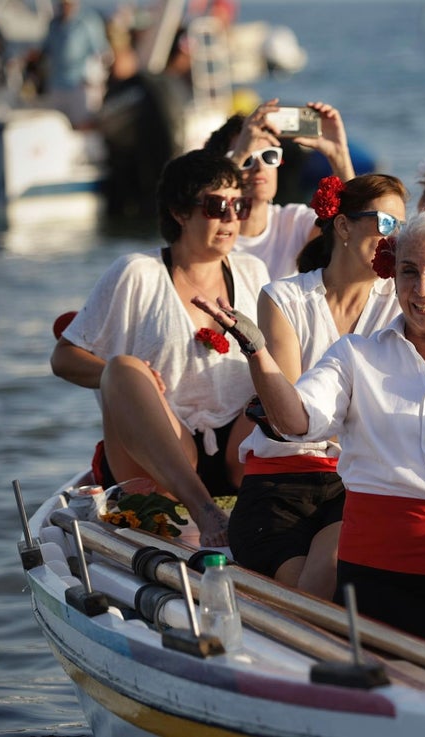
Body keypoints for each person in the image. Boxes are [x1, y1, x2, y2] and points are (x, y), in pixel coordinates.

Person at [193, 211, 425, 665]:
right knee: (406, 690)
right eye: (408, 272)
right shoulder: (355, 354)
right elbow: (297, 421)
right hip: (382, 569)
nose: (421, 289)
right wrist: (257, 352)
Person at [50, 150, 269, 546]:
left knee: (288, 364)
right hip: (158, 457)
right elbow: (63, 357)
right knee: (122, 368)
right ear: (179, 212)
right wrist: (130, 378)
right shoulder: (136, 272)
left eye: (239, 206)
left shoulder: (253, 271)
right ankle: (205, 511)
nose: (230, 218)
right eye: (217, 206)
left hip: (238, 455)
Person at [226, 173, 408, 599]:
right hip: (279, 485)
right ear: (343, 226)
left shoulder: (403, 301)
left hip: (357, 483)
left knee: (324, 580)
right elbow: (294, 418)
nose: (394, 238)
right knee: (307, 594)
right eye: (385, 223)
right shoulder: (283, 297)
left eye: (402, 226)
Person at [204, 99, 356, 280]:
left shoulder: (294, 222)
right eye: (246, 159)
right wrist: (238, 155)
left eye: (269, 156)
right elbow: (205, 204)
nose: (259, 167)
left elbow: (355, 231)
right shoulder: (206, 232)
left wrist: (339, 155)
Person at [38, 0, 111, 127]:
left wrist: (97, 80)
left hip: (79, 86)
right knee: (55, 125)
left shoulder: (88, 22)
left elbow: (102, 53)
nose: (64, 6)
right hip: (56, 85)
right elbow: (45, 51)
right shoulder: (53, 25)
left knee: (83, 124)